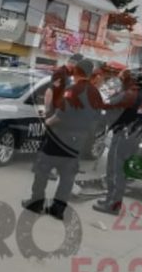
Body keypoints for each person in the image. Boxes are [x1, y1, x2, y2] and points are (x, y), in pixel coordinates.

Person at [23, 59, 105, 219]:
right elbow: (97, 118)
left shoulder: (72, 90)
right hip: (79, 139)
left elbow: (61, 115)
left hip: (60, 136)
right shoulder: (96, 94)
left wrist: (47, 122)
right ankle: (58, 209)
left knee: (42, 169)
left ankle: (36, 203)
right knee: (68, 176)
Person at [93, 71, 142, 216]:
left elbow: (109, 104)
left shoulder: (128, 94)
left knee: (114, 170)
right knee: (121, 172)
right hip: (133, 138)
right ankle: (110, 200)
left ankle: (113, 204)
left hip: (122, 136)